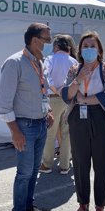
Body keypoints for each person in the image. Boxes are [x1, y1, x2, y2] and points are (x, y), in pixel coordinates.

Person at [0, 23, 54, 211]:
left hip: (40, 124)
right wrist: (15, 131)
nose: (49, 43)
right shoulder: (14, 63)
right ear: (34, 39)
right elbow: (3, 103)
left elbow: (42, 92)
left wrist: (47, 110)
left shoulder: (40, 63)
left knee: (32, 172)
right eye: (47, 39)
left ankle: (28, 208)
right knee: (23, 174)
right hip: (24, 127)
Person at [62, 31, 105, 211]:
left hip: (100, 117)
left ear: (99, 49)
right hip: (78, 118)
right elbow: (67, 95)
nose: (89, 49)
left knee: (101, 163)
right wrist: (78, 80)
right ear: (80, 50)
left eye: (92, 46)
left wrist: (86, 99)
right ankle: (82, 203)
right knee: (80, 162)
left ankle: (100, 206)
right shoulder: (74, 69)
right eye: (85, 46)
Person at [39, 34, 78, 174]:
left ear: (55, 46)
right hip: (70, 99)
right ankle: (65, 165)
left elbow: (46, 78)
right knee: (67, 132)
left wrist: (57, 90)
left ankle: (47, 164)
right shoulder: (73, 61)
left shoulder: (49, 59)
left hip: (53, 98)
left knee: (50, 132)